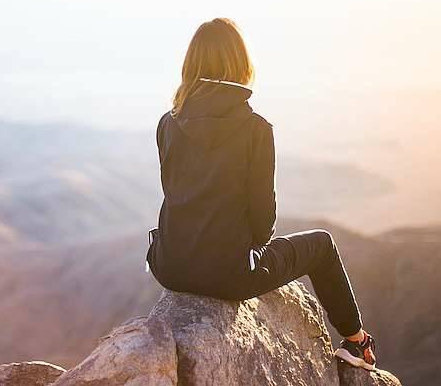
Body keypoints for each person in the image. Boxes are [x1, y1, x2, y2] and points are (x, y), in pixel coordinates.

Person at [145, 18, 377, 371]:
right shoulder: (255, 130)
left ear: (190, 65)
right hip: (229, 276)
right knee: (323, 245)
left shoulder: (167, 122)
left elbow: (174, 193)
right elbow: (263, 223)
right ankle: (356, 342)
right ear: (241, 64)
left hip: (169, 266)